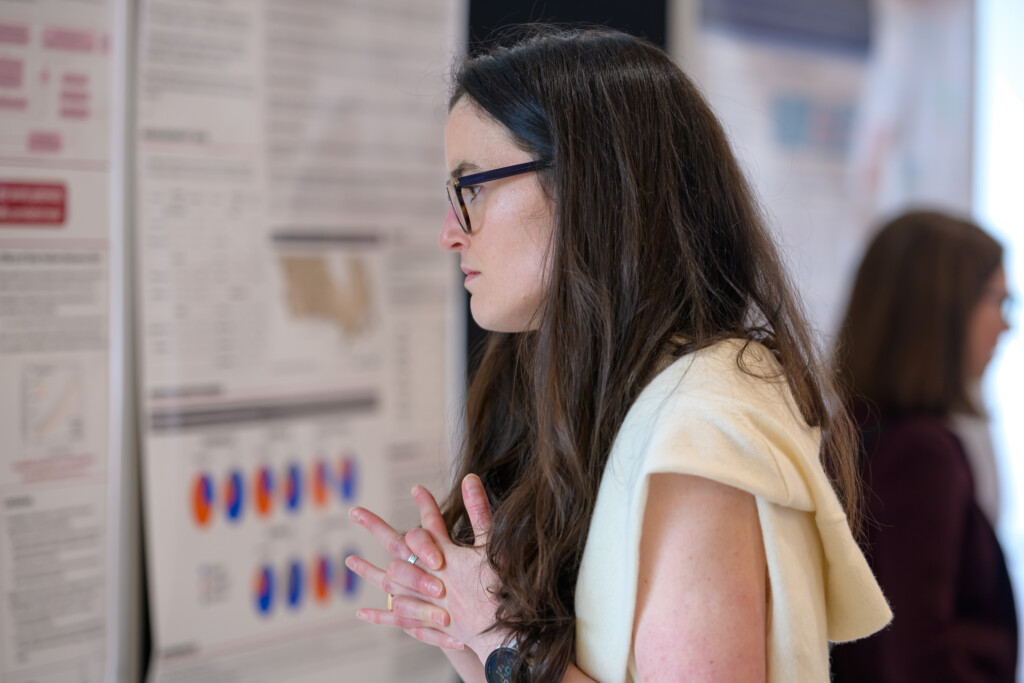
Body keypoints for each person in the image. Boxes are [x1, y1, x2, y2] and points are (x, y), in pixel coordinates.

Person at [344, 26, 891, 682]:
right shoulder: (605, 395)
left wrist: (498, 640)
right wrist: (458, 622)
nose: (449, 234)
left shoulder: (701, 422)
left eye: (474, 189)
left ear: (587, 184)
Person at [829, 210, 1017, 682]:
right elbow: (918, 658)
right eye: (998, 300)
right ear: (943, 308)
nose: (1006, 324)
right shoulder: (920, 454)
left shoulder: (855, 429)